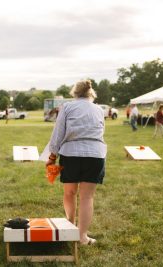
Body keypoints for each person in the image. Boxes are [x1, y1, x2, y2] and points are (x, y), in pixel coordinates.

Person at [46, 80, 106, 246]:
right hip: (95, 155)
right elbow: (101, 132)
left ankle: (70, 226)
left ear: (75, 93)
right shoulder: (99, 109)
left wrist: (52, 156)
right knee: (87, 197)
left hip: (71, 154)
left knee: (69, 193)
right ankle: (82, 236)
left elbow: (58, 133)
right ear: (91, 94)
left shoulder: (67, 107)